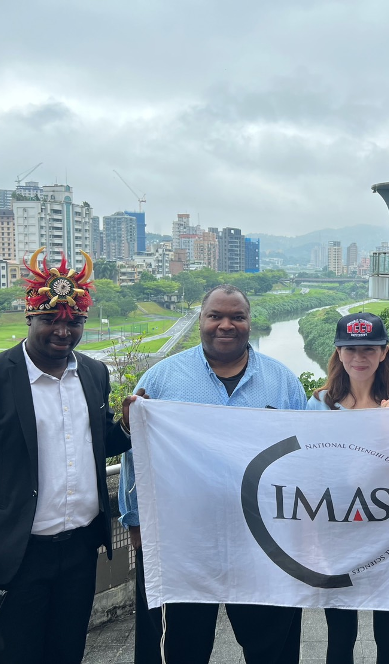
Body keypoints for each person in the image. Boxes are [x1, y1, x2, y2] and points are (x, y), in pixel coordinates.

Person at [0, 248, 142, 664]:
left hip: (81, 550)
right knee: (17, 657)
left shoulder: (94, 373)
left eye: (74, 321)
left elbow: (96, 445)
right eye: (50, 320)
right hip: (16, 555)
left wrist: (125, 428)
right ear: (30, 318)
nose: (63, 331)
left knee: (68, 652)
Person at [118, 283, 308, 664]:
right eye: (215, 316)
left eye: (237, 317)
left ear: (250, 322)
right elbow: (134, 455)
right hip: (181, 541)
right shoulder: (161, 378)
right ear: (200, 320)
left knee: (272, 644)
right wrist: (135, 521)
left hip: (262, 539)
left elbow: (303, 457)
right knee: (180, 646)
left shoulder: (282, 381)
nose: (226, 325)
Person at [307, 312, 389, 664]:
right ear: (338, 353)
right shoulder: (319, 405)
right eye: (350, 349)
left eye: (369, 349)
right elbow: (309, 471)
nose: (359, 358)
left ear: (384, 353)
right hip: (337, 536)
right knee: (339, 639)